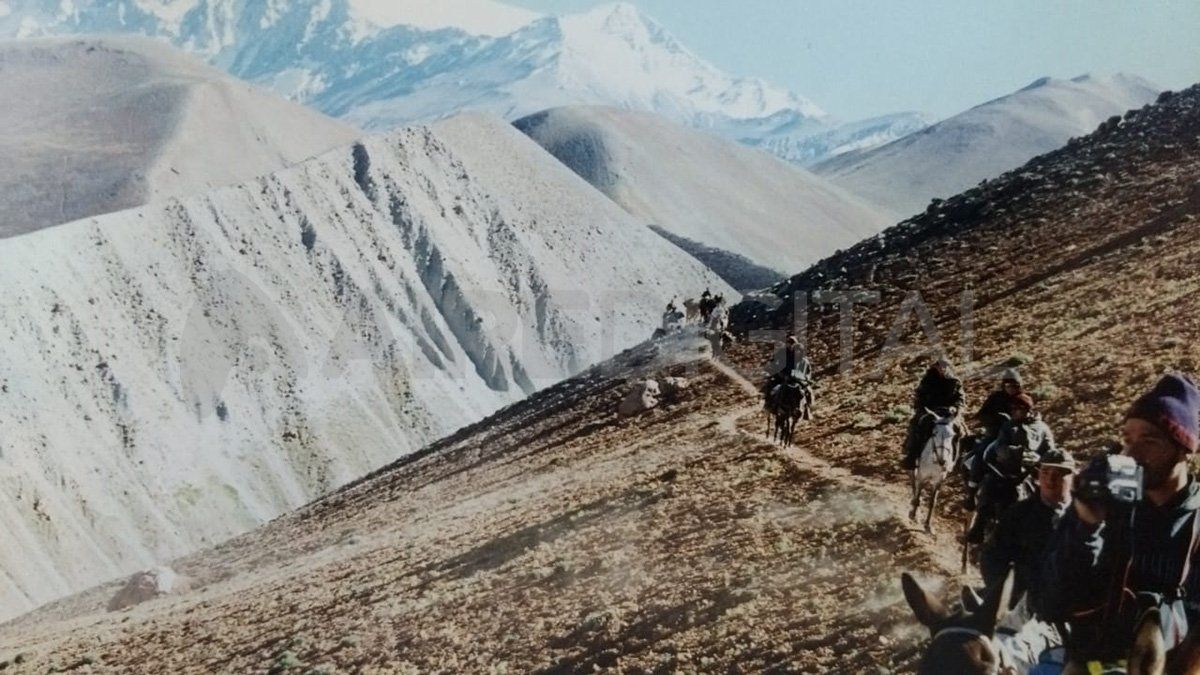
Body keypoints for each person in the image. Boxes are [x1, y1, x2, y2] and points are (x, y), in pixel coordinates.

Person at [1036, 373, 1200, 667]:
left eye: (1149, 440)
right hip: (1087, 664)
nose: (1131, 453)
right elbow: (1050, 602)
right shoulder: (1103, 504)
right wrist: (1087, 526)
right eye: (1127, 439)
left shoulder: (1196, 521)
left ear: (1183, 449)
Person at [966, 393, 1056, 543]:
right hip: (1004, 472)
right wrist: (1013, 452)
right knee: (988, 488)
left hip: (1028, 473)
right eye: (1012, 408)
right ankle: (979, 527)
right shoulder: (1008, 426)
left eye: (1016, 408)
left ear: (1027, 409)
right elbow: (1000, 446)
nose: (1013, 411)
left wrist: (1036, 459)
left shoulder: (1043, 429)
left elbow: (1049, 451)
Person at [901, 357, 966, 470]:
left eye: (945, 366)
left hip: (949, 413)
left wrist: (955, 408)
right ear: (936, 367)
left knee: (962, 432)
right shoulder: (928, 380)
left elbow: (960, 399)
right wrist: (925, 409)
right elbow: (919, 397)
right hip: (930, 411)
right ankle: (912, 456)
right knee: (919, 428)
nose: (943, 369)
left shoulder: (955, 382)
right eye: (941, 366)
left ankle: (959, 460)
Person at [762, 336, 813, 419]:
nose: (791, 345)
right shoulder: (783, 353)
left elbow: (808, 371)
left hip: (798, 379)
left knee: (808, 391)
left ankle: (807, 409)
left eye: (792, 343)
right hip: (782, 377)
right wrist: (779, 373)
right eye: (789, 343)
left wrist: (806, 379)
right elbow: (776, 364)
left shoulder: (802, 359)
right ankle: (769, 404)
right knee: (770, 386)